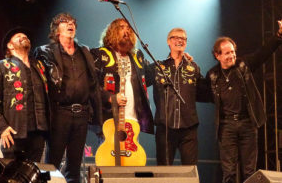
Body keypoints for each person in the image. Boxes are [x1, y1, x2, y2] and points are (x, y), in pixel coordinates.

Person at [206, 20, 282, 183]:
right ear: (217, 55)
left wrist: (278, 36)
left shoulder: (243, 65)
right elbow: (200, 93)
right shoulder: (212, 75)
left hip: (248, 124)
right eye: (227, 53)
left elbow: (263, 53)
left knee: (249, 171)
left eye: (233, 52)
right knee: (229, 173)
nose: (231, 56)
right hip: (226, 127)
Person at [34, 12, 102, 183]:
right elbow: (37, 84)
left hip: (81, 113)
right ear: (57, 30)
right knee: (53, 163)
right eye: (65, 22)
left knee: (75, 164)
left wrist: (98, 118)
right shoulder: (45, 52)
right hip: (59, 113)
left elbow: (94, 85)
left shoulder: (84, 51)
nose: (70, 24)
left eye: (72, 22)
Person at [147, 28, 207, 165]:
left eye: (183, 38)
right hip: (165, 128)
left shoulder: (193, 67)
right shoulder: (158, 66)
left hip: (189, 128)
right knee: (164, 173)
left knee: (190, 171)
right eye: (176, 37)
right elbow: (139, 81)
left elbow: (204, 92)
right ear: (168, 41)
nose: (180, 40)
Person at [0, 27, 48, 162]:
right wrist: (2, 128)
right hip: (13, 131)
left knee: (35, 174)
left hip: (39, 131)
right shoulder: (1, 66)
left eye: (25, 35)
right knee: (12, 176)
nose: (23, 36)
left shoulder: (39, 66)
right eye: (18, 36)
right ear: (10, 46)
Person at [91, 18, 154, 137]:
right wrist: (110, 98)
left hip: (133, 120)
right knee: (108, 154)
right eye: (121, 27)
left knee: (131, 155)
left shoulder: (137, 55)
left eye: (129, 28)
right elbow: (90, 84)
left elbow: (148, 78)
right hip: (108, 119)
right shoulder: (99, 54)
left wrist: (174, 57)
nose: (127, 30)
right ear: (112, 32)